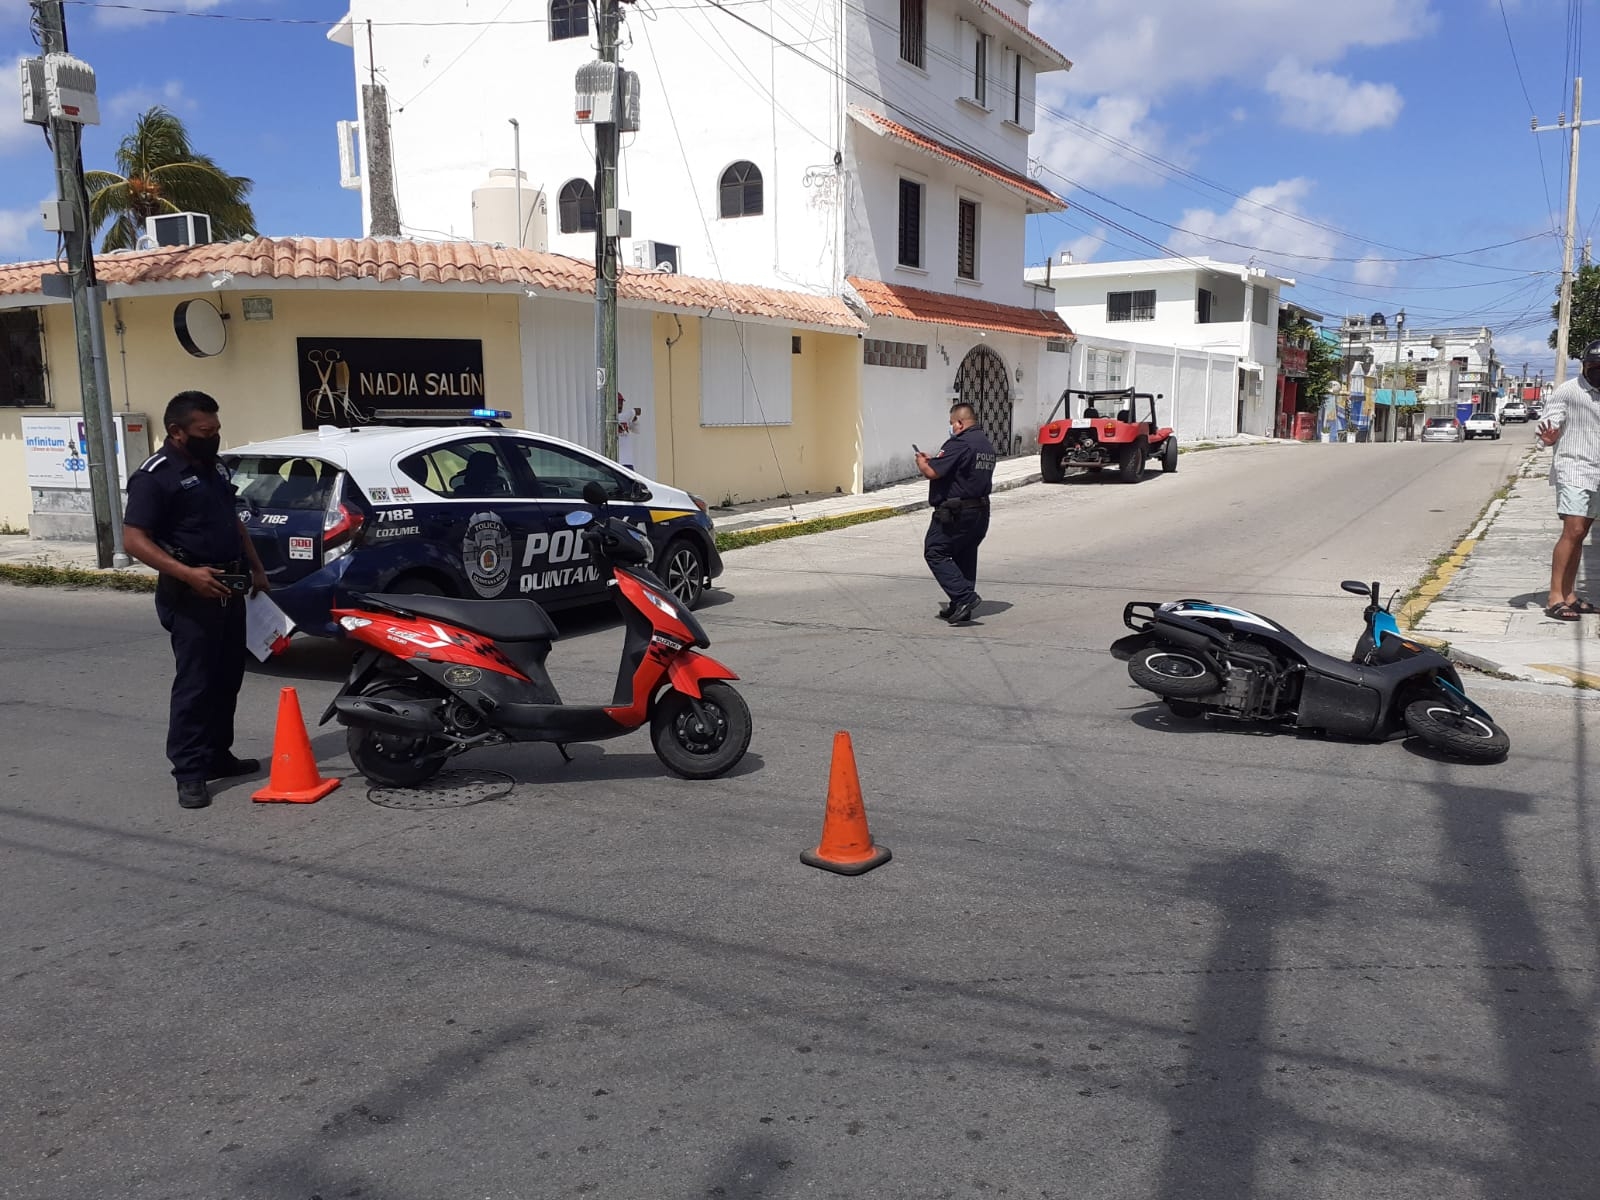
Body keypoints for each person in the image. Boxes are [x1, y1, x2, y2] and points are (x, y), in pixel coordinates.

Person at [123, 391, 269, 809]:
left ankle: (217, 755)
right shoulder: (156, 476)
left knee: (228, 678)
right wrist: (189, 574)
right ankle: (189, 772)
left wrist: (256, 569)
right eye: (206, 432)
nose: (215, 437)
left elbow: (233, 522)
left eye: (217, 430)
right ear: (177, 432)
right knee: (196, 684)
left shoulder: (214, 467)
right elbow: (134, 540)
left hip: (231, 584)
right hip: (190, 590)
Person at [916, 402, 997, 624]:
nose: (951, 427)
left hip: (957, 512)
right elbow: (959, 470)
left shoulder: (959, 443)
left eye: (952, 423)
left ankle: (964, 597)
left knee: (935, 551)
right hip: (980, 510)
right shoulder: (985, 445)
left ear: (960, 423)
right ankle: (959, 604)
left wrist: (923, 463)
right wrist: (939, 460)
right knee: (965, 554)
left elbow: (932, 472)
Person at [1538, 340, 1600, 621]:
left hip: (1596, 471)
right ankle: (1554, 597)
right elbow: (1548, 425)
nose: (1597, 371)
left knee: (1581, 535)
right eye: (1593, 366)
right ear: (1584, 365)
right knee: (1572, 531)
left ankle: (1570, 595)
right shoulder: (1568, 391)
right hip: (1573, 468)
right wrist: (1547, 438)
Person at [616, 392, 643, 470]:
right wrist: (634, 412)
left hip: (627, 461)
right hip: (617, 462)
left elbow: (637, 430)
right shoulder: (612, 418)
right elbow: (626, 415)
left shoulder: (625, 417)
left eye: (621, 403)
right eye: (618, 403)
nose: (620, 405)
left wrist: (634, 420)